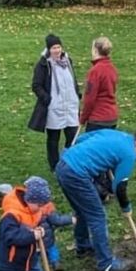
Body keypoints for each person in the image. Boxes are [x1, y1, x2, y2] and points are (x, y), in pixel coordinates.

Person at [55, 128, 136, 271]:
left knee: (82, 210)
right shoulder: (129, 154)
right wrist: (126, 207)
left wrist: (96, 156)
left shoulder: (115, 134)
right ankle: (106, 264)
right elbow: (119, 187)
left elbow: (81, 139)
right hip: (77, 173)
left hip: (63, 165)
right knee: (97, 216)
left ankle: (83, 246)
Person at [29, 35, 83, 171]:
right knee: (53, 138)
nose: (57, 50)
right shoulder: (43, 65)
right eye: (54, 48)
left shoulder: (68, 61)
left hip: (70, 106)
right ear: (48, 49)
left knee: (72, 136)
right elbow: (36, 85)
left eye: (59, 47)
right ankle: (54, 165)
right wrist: (47, 98)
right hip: (54, 108)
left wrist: (77, 93)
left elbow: (73, 79)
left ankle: (69, 163)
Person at [79, 37, 119, 132]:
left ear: (95, 50)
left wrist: (82, 119)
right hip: (112, 117)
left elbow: (90, 98)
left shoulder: (95, 71)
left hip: (98, 119)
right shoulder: (112, 68)